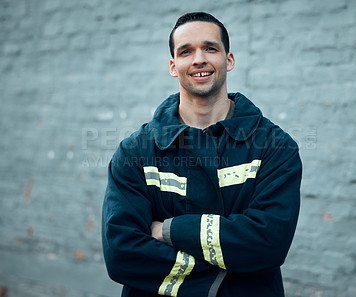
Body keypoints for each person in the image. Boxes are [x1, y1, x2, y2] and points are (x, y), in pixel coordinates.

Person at [102, 12, 302, 297]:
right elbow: (121, 253)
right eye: (186, 51)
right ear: (173, 66)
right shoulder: (135, 152)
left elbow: (269, 242)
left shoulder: (274, 147)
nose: (199, 59)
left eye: (210, 48)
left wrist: (169, 231)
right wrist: (227, 274)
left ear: (228, 60)